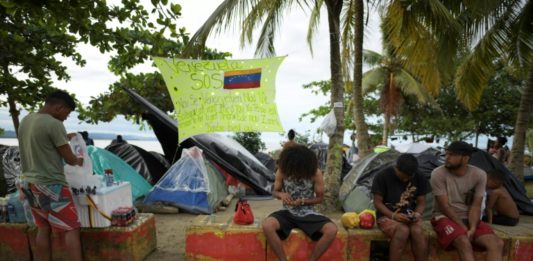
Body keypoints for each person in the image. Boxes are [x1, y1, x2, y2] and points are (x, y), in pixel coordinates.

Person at [17, 90, 84, 261]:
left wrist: (64, 137)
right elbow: (69, 159)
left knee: (43, 228)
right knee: (71, 229)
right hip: (51, 186)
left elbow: (41, 141)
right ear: (59, 107)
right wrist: (79, 160)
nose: (66, 118)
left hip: (29, 184)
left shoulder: (27, 120)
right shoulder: (54, 124)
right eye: (67, 113)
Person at [431, 141, 503, 261]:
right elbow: (444, 206)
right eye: (447, 154)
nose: (447, 158)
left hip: (469, 218)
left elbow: (476, 206)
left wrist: (473, 228)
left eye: (452, 155)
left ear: (465, 158)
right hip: (444, 217)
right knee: (463, 241)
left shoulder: (479, 175)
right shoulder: (438, 173)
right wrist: (463, 228)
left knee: (496, 244)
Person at [262, 145, 337, 261]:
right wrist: (282, 195)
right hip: (287, 212)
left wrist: (303, 201)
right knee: (267, 225)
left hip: (308, 213)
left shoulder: (315, 173)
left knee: (331, 230)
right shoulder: (282, 171)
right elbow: (275, 192)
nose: (295, 170)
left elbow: (320, 198)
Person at [372, 153, 430, 261]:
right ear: (396, 168)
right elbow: (377, 203)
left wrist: (417, 214)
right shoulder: (382, 176)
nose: (405, 180)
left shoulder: (420, 176)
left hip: (409, 215)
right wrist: (393, 216)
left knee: (417, 231)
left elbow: (421, 202)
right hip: (387, 215)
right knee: (402, 230)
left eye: (409, 177)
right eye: (403, 176)